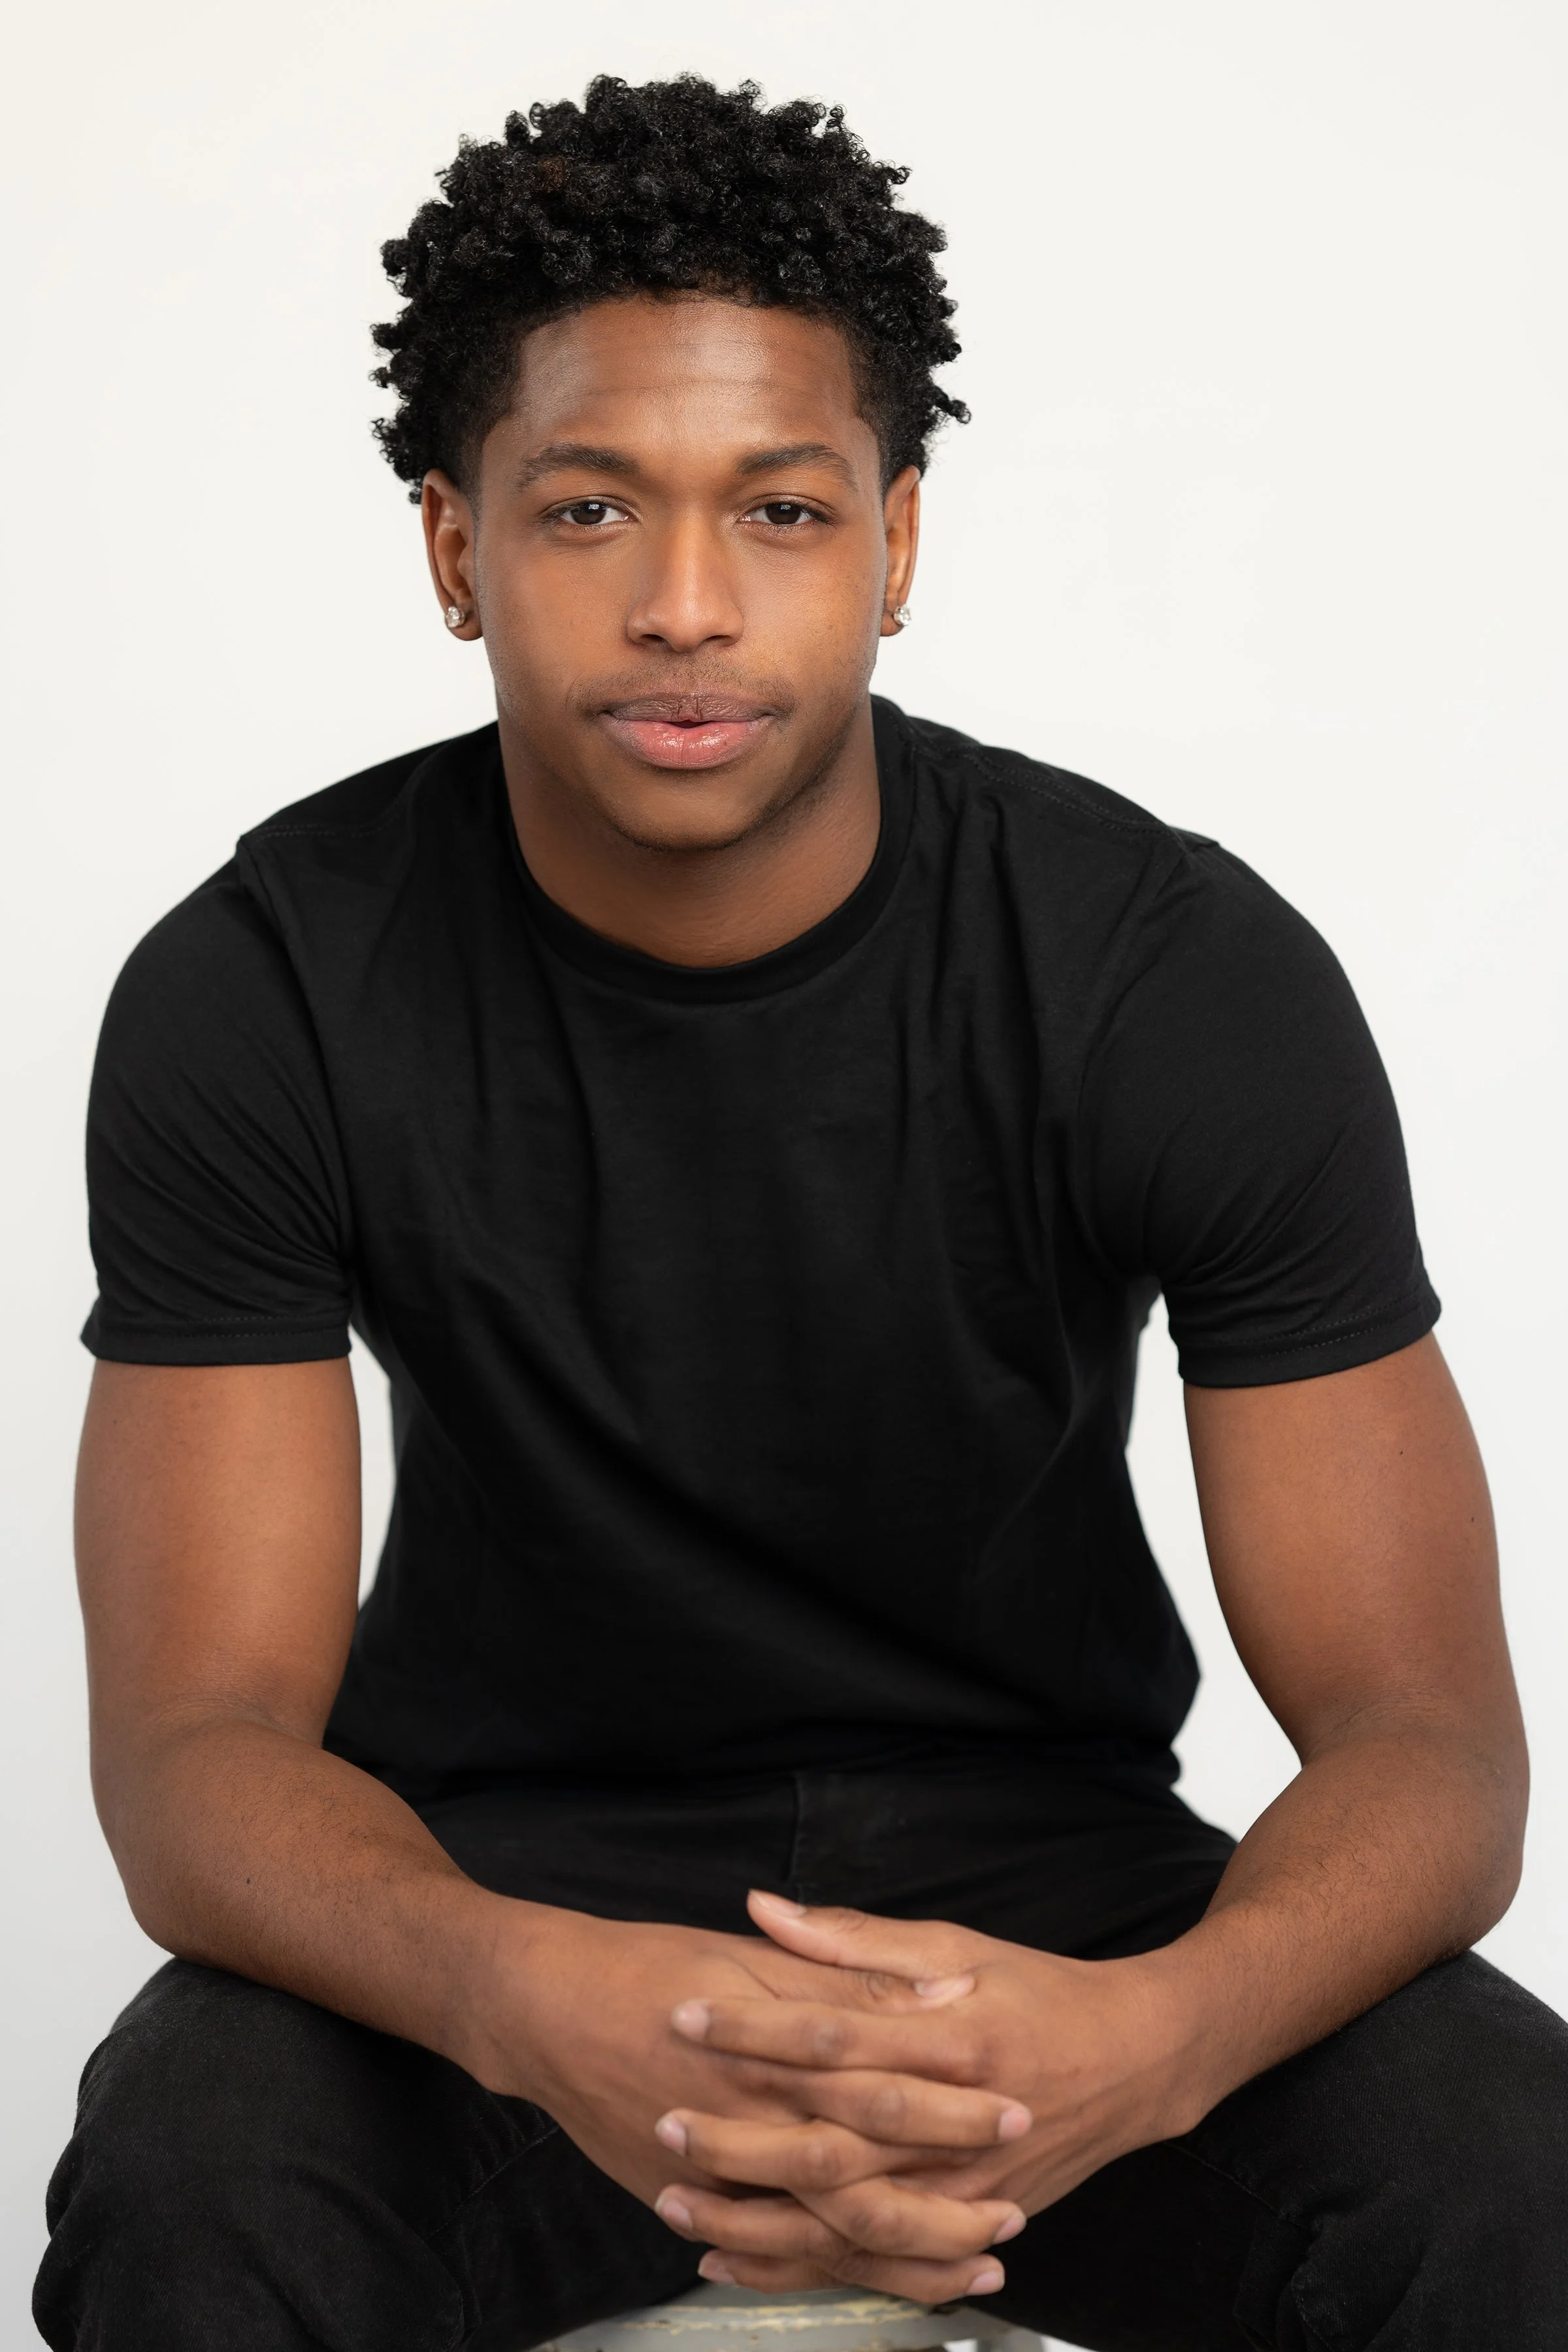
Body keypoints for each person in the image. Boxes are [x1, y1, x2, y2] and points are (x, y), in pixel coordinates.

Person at [34, 73, 1567, 2352]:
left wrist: (1156, 2042)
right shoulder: (265, 987)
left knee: (1502, 2158)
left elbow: (1429, 1742)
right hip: (511, 1917)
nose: (683, 606)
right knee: (191, 2167)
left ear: (897, 542)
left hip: (1060, 1926)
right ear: (454, 548)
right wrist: (519, 1993)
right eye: (584, 511)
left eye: (776, 509)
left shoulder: (1170, 973)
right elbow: (201, 1756)